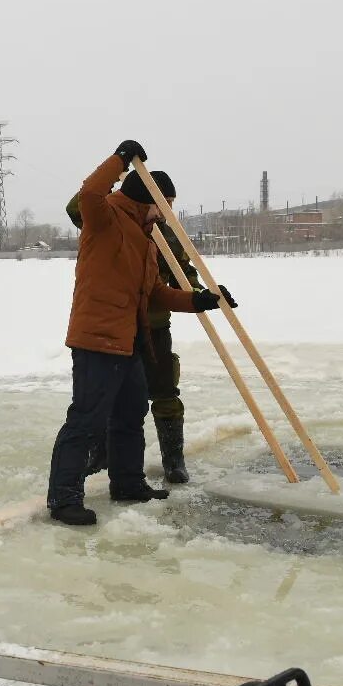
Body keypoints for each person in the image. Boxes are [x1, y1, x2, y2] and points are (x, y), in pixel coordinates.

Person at [46, 141, 235, 526]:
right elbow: (89, 193)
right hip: (97, 340)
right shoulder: (105, 219)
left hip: (131, 341)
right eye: (162, 206)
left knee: (131, 415)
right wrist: (119, 159)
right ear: (145, 199)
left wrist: (202, 300)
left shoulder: (147, 241)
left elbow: (155, 293)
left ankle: (128, 482)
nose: (165, 216)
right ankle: (64, 499)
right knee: (86, 420)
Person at [66, 181, 205, 484]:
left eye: (172, 201)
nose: (167, 208)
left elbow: (185, 275)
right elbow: (77, 208)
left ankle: (173, 459)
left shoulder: (170, 237)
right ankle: (101, 454)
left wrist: (198, 295)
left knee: (165, 390)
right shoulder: (116, 223)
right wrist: (117, 182)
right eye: (162, 200)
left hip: (155, 328)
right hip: (119, 328)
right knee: (113, 397)